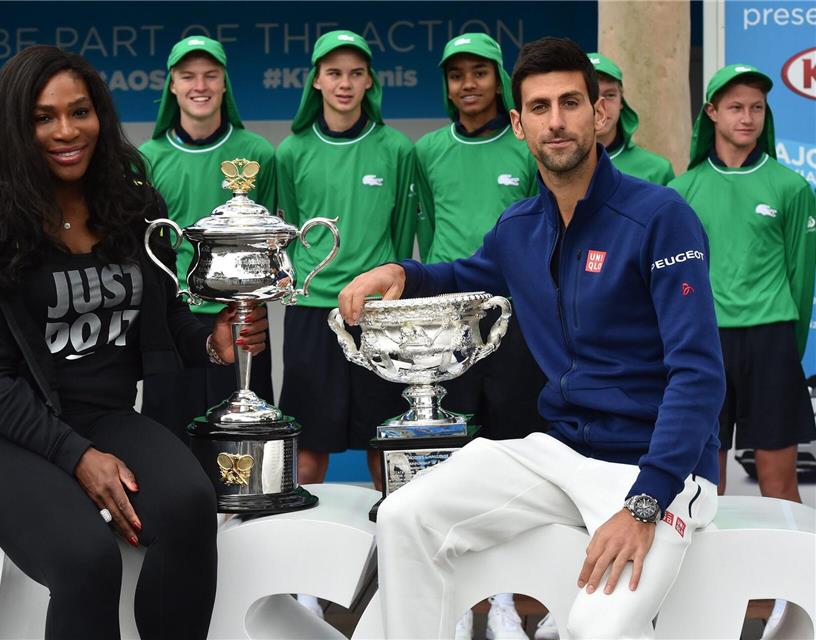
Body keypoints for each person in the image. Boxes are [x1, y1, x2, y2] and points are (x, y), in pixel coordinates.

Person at [338, 37, 725, 639]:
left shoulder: (660, 217)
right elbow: (464, 275)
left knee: (597, 630)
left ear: (599, 113)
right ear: (519, 123)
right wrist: (403, 272)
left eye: (571, 102)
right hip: (560, 452)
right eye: (539, 107)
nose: (557, 120)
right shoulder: (519, 227)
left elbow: (699, 373)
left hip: (658, 472)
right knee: (404, 516)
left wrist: (646, 503)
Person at [0, 46, 267, 639]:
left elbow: (164, 321)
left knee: (191, 503)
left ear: (100, 116)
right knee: (88, 560)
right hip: (2, 436)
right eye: (43, 117)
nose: (66, 131)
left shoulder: (132, 209)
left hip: (106, 416)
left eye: (79, 111)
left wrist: (216, 342)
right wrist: (76, 457)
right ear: (16, 127)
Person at [669, 64, 816, 639]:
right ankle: (717, 599)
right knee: (710, 485)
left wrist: (788, 346)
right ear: (711, 114)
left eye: (756, 107)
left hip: (773, 340)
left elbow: (800, 280)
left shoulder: (789, 186)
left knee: (780, 483)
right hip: (706, 346)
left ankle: (790, 596)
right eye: (734, 107)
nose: (746, 118)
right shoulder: (682, 191)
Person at [275, 28, 417, 619]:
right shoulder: (290, 152)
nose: (344, 83)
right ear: (316, 81)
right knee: (309, 452)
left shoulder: (396, 149)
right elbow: (283, 232)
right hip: (314, 317)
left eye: (356, 73)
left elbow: (408, 229)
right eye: (333, 73)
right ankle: (306, 585)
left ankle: (399, 582)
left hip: (380, 321)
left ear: (369, 82)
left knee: (390, 450)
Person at [412, 32, 543, 640]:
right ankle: (458, 600)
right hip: (446, 327)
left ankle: (506, 602)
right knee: (447, 461)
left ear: (500, 83)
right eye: (456, 74)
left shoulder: (524, 148)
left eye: (480, 73)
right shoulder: (428, 150)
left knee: (512, 457)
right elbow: (430, 235)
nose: (468, 84)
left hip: (514, 323)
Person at [139, 35, 276, 441]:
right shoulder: (148, 157)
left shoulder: (258, 152)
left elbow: (270, 246)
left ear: (224, 84)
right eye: (188, 76)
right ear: (173, 86)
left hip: (240, 318)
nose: (200, 85)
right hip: (172, 320)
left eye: (210, 75)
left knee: (243, 437)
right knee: (170, 439)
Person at [588, 53, 675, 185]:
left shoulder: (657, 170)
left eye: (610, 95)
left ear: (621, 102)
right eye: (591, 95)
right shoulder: (552, 166)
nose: (601, 106)